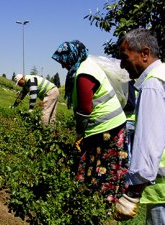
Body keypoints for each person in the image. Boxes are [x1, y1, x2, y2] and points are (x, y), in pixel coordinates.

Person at [52, 40, 128, 207]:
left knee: (99, 163)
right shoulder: (86, 64)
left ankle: (96, 203)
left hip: (107, 126)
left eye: (64, 61)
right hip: (111, 123)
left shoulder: (84, 73)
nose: (63, 66)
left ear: (72, 57)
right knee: (103, 163)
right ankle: (100, 200)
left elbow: (85, 109)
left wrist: (80, 133)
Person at [113, 28, 165, 224]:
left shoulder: (153, 84)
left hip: (163, 192)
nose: (122, 64)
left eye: (125, 57)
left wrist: (132, 195)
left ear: (144, 54)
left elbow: (149, 143)